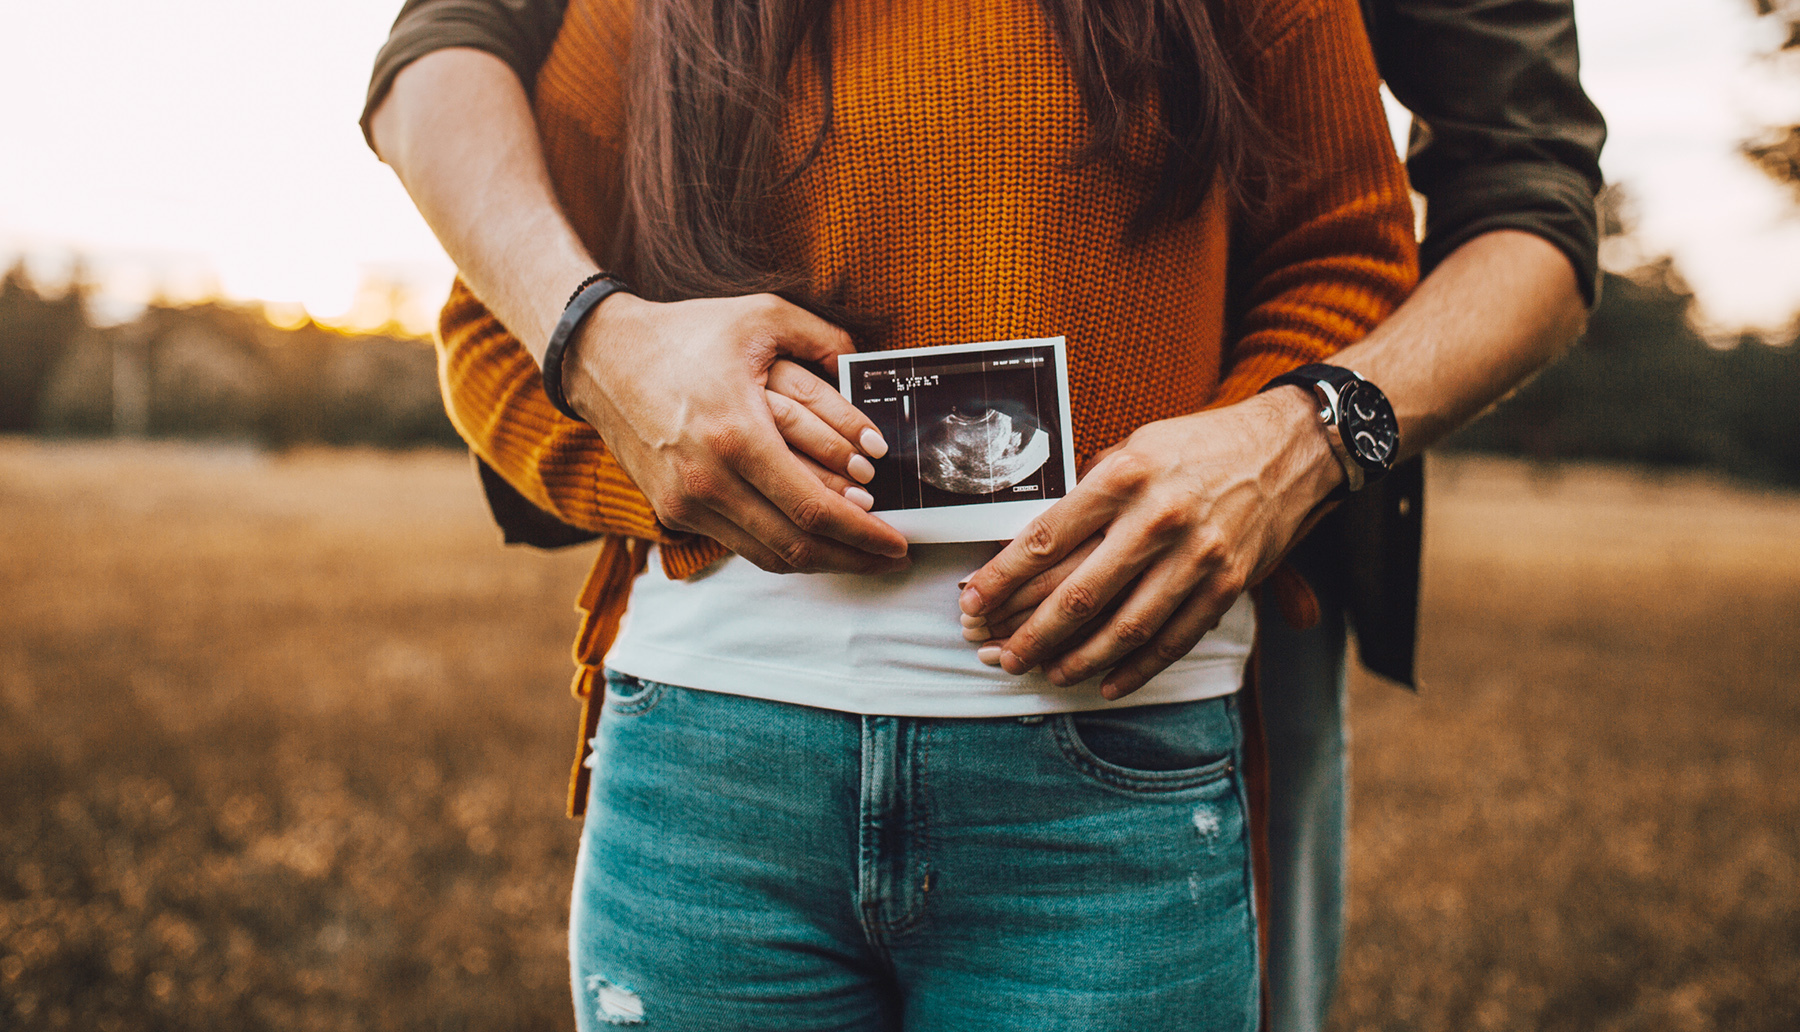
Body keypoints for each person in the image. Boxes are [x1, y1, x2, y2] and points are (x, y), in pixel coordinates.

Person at [365, 0, 1422, 1028]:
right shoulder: (640, 15)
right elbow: (499, 325)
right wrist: (665, 470)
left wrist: (1260, 456)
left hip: (1113, 767)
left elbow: (1347, 254)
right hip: (708, 777)